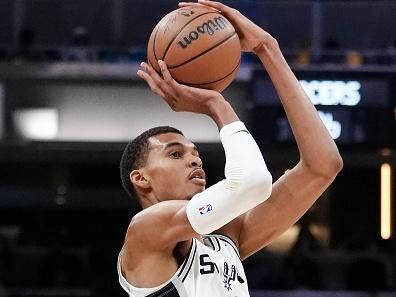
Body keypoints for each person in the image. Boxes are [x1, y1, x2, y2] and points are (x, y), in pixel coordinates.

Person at [117, 1, 343, 296]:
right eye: (175, 153)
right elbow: (253, 183)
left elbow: (323, 165)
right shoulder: (145, 231)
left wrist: (267, 48)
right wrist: (216, 104)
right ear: (141, 178)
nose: (194, 160)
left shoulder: (226, 235)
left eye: (195, 153)